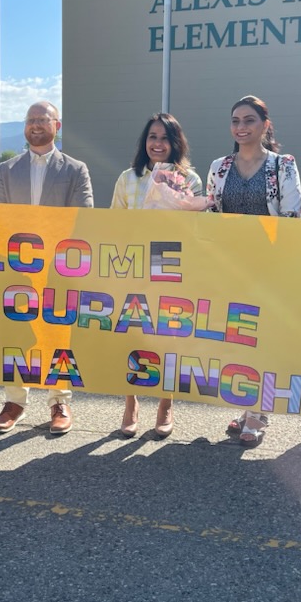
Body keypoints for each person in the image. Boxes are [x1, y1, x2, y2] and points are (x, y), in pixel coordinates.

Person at [0, 101, 94, 435]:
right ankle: (15, 401)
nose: (36, 125)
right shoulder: (5, 171)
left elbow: (82, 218)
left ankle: (59, 401)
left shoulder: (75, 170)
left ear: (57, 125)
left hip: (59, 268)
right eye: (30, 120)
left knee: (57, 334)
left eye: (42, 119)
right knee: (16, 334)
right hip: (16, 269)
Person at [206, 95, 301, 447]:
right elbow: (211, 215)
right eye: (235, 121)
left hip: (269, 266)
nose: (241, 127)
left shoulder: (283, 166)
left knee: (264, 339)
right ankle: (247, 406)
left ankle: (260, 413)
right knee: (238, 339)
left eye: (249, 120)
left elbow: (292, 218)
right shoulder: (219, 166)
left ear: (265, 125)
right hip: (230, 266)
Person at [111, 113, 203, 439]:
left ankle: (166, 403)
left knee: (168, 337)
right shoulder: (127, 178)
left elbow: (195, 229)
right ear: (144, 142)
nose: (158, 144)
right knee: (132, 336)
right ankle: (131, 403)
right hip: (133, 268)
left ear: (175, 143)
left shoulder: (189, 179)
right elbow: (114, 226)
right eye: (152, 137)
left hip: (171, 270)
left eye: (165, 138)